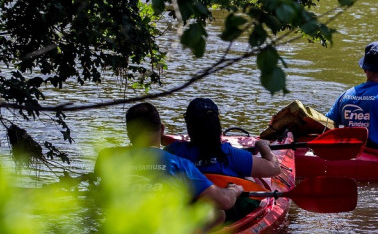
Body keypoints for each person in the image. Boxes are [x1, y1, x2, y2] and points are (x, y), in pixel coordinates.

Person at [100, 102, 244, 227]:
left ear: (129, 133)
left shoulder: (114, 164)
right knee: (217, 213)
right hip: (161, 233)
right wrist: (234, 190)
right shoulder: (178, 163)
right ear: (162, 130)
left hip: (125, 229)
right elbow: (225, 202)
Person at [165, 97, 282, 179]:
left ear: (188, 123)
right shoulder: (230, 155)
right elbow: (275, 169)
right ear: (217, 125)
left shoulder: (171, 153)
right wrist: (262, 145)